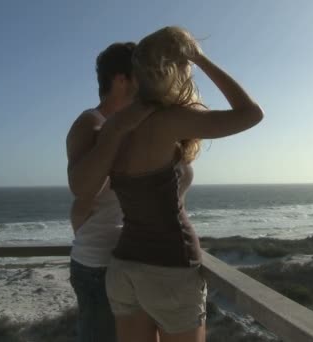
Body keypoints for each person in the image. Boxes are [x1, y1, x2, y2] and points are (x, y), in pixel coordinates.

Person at [104, 26, 264, 342]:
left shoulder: (118, 125)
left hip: (123, 267)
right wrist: (202, 58)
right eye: (187, 67)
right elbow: (251, 114)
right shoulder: (168, 121)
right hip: (169, 269)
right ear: (175, 71)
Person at [66, 42, 154, 342]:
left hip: (133, 260)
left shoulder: (132, 125)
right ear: (121, 80)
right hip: (99, 265)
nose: (148, 85)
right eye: (141, 76)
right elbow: (82, 189)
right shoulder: (92, 122)